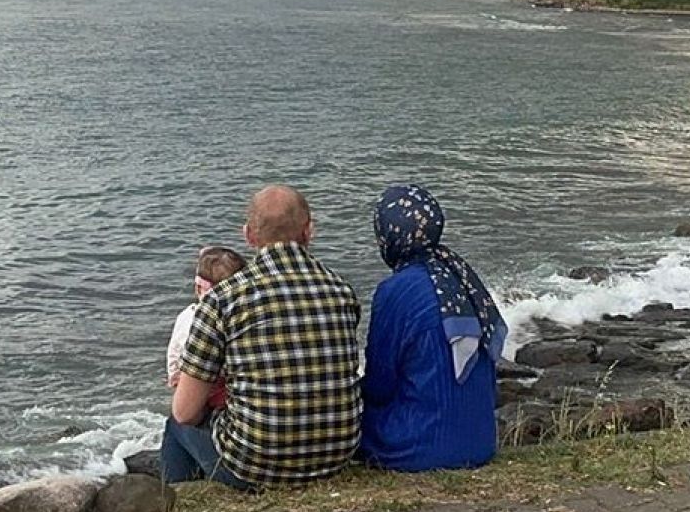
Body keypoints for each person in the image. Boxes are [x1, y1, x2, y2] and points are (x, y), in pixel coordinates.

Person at [162, 185, 362, 490]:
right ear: (309, 231)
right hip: (336, 455)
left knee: (175, 424)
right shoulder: (341, 291)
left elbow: (186, 412)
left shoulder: (222, 299)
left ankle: (173, 497)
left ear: (249, 236)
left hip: (255, 466)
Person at [359, 183, 508, 472]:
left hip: (420, 447)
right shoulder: (462, 277)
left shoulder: (395, 291)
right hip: (480, 442)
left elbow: (380, 384)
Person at [166, 246, 247, 411]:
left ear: (198, 288)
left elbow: (174, 360)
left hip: (201, 398)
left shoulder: (190, 318)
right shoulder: (247, 318)